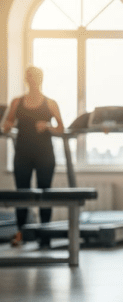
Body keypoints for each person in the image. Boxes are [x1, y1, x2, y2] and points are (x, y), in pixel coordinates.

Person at [1, 66, 65, 247]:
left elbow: (61, 128)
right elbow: (8, 123)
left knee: (45, 193)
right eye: (29, 76)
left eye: (35, 76)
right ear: (26, 79)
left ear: (41, 79)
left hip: (44, 154)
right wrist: (7, 126)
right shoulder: (17, 102)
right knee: (22, 194)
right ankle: (21, 233)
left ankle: (45, 236)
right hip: (22, 153)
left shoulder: (50, 103)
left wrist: (48, 126)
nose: (32, 79)